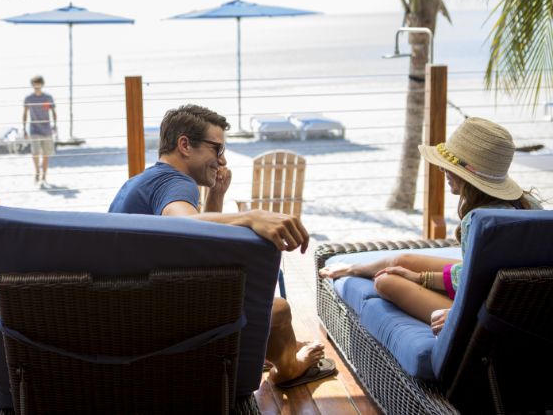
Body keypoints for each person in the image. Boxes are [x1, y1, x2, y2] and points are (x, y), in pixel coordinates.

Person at [109, 104, 336, 388]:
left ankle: (275, 349)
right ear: (185, 145)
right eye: (217, 149)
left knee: (258, 309)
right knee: (277, 310)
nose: (223, 160)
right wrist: (251, 216)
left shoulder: (141, 182)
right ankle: (289, 366)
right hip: (161, 325)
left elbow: (200, 245)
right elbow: (185, 225)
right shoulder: (176, 183)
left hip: (132, 314)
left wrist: (216, 194)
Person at [320, 117, 542, 334]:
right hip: (492, 287)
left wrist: (455, 310)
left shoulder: (479, 220)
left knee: (385, 282)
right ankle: (352, 268)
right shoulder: (528, 206)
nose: (442, 171)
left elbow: (474, 283)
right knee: (401, 260)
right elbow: (481, 272)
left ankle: (465, 319)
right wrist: (420, 277)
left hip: (487, 305)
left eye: (448, 166)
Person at [23, 75, 57, 187]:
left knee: (46, 155)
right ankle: (37, 172)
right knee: (35, 153)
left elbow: (53, 112)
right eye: (35, 84)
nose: (37, 86)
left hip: (47, 130)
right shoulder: (28, 98)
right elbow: (25, 113)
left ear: (42, 84)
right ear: (32, 85)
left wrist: (55, 125)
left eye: (39, 83)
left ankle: (44, 176)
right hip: (34, 129)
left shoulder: (48, 97)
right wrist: (24, 129)